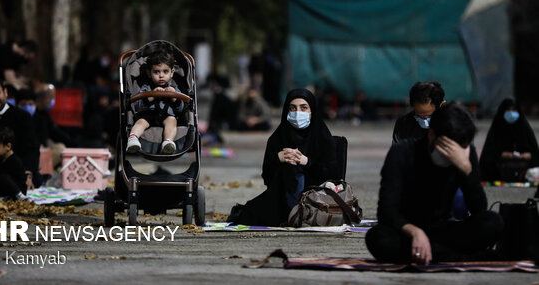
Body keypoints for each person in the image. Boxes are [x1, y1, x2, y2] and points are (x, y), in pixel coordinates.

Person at [366, 103, 503, 264]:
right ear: (431, 135)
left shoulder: (464, 153)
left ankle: (434, 254)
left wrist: (467, 171)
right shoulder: (403, 152)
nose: (450, 155)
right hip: (408, 230)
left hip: (444, 229)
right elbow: (386, 211)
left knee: (493, 222)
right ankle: (455, 257)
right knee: (377, 237)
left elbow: (479, 209)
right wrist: (415, 232)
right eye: (447, 147)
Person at [227, 88, 347, 226]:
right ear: (286, 111)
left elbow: (335, 176)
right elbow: (267, 178)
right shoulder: (277, 138)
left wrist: (306, 162)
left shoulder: (323, 138)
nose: (298, 113)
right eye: (292, 108)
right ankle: (292, 213)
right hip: (282, 197)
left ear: (312, 111)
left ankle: (296, 213)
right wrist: (278, 159)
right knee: (248, 214)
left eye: (303, 108)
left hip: (318, 198)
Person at [0, 77, 41, 190]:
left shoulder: (23, 117)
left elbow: (32, 149)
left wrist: (28, 173)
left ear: (5, 92)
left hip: (20, 169)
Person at [126, 51, 185, 155]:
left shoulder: (174, 89)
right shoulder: (146, 88)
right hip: (148, 115)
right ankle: (133, 138)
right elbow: (137, 106)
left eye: (165, 71)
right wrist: (150, 96)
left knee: (172, 120)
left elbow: (180, 109)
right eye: (156, 72)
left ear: (172, 73)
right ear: (149, 73)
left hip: (166, 116)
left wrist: (174, 98)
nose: (161, 75)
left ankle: (168, 142)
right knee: (141, 121)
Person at [479, 98, 539, 182]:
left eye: (514, 110)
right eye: (508, 110)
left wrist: (528, 155)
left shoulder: (524, 128)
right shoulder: (497, 128)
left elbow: (535, 153)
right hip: (499, 171)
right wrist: (503, 154)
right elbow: (488, 155)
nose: (511, 113)